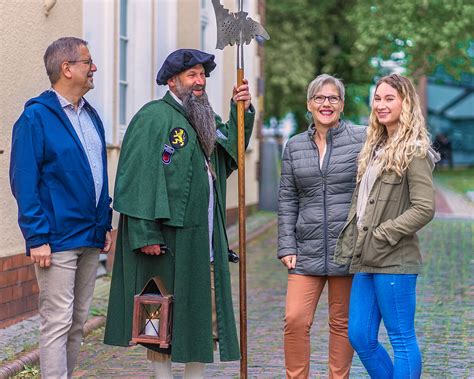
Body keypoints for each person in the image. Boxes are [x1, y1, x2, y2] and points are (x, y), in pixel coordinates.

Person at [103, 48, 254, 378]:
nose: (200, 82)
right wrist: (145, 233)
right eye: (192, 75)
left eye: (202, 75)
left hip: (203, 240)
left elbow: (230, 152)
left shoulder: (205, 119)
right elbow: (137, 178)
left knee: (201, 316)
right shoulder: (153, 117)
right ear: (172, 81)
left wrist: (241, 109)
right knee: (161, 318)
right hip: (166, 241)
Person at [9, 37, 113, 378]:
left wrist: (105, 223)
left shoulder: (91, 116)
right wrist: (36, 236)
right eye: (88, 61)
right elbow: (24, 181)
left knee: (78, 322)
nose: (93, 67)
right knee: (57, 321)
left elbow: (98, 173)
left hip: (89, 235)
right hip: (55, 241)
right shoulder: (36, 118)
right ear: (67, 69)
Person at [335, 73, 439, 378]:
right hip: (365, 258)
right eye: (378, 98)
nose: (381, 104)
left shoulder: (414, 150)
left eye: (389, 98)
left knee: (401, 339)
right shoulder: (376, 146)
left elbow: (424, 208)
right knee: (360, 336)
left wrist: (384, 233)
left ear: (405, 103)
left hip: (394, 259)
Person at [278, 74, 366, 378]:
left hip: (347, 247)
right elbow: (287, 199)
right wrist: (287, 245)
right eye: (319, 98)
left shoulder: (361, 139)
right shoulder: (293, 147)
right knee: (295, 319)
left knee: (342, 323)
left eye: (332, 98)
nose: (325, 104)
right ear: (309, 104)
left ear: (341, 105)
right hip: (306, 249)